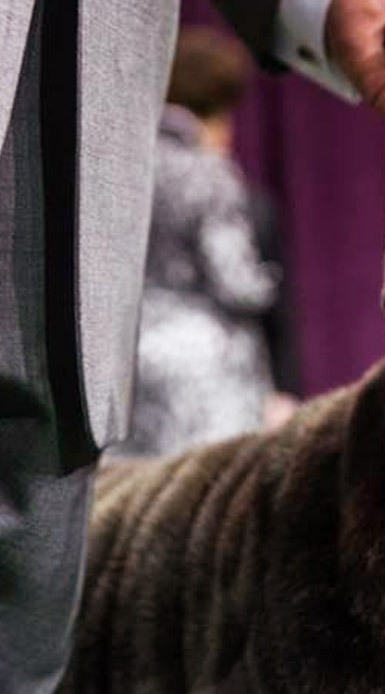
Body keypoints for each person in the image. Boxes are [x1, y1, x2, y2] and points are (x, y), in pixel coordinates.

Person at [0, 0, 385, 694]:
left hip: (102, 366)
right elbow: (243, 279)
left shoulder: (142, 159)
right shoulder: (209, 177)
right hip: (189, 372)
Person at [115, 28, 285, 458]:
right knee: (206, 498)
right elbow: (237, 284)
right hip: (202, 366)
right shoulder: (208, 173)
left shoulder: (121, 167)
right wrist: (269, 279)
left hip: (124, 359)